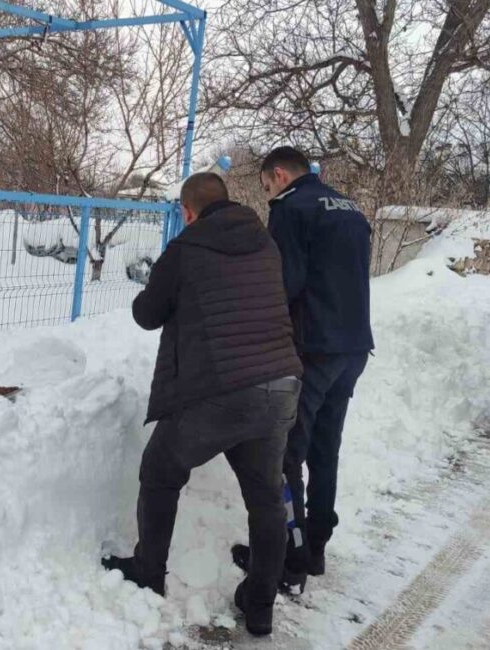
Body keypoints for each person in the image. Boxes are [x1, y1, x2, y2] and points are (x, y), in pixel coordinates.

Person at [101, 172, 303, 636]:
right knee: (266, 499)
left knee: (160, 471)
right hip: (281, 384)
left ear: (187, 211)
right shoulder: (266, 243)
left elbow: (148, 314)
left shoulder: (185, 249)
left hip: (221, 390)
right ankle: (260, 604)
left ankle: (148, 571)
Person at [232, 147, 374, 592]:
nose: (267, 194)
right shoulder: (350, 209)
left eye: (265, 185)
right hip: (353, 347)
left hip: (312, 348)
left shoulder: (291, 209)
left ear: (278, 175)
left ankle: (287, 560)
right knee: (325, 451)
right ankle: (315, 548)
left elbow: (283, 284)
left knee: (287, 453)